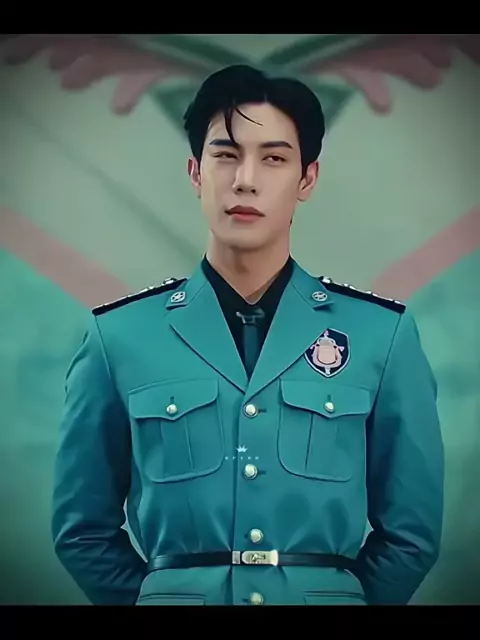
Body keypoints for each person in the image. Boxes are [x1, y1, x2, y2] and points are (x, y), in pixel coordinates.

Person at [51, 64, 444, 606]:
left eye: (274, 158)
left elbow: (411, 534)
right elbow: (81, 531)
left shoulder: (381, 335)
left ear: (307, 179)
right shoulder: (117, 337)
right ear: (195, 172)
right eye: (226, 155)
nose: (245, 179)